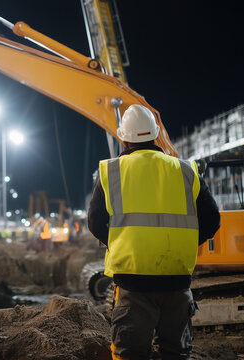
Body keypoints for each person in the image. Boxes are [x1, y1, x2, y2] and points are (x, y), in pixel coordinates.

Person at [88, 105, 220, 360]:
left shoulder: (112, 171)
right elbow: (212, 219)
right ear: (156, 134)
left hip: (132, 284)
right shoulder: (185, 170)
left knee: (129, 354)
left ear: (123, 138)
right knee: (176, 354)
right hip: (177, 282)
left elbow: (95, 221)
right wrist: (186, 241)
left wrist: (118, 241)